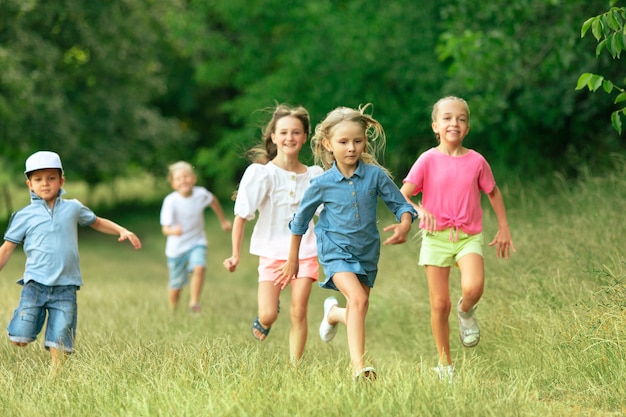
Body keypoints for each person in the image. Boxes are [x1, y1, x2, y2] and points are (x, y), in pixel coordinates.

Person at [276, 105, 418, 380]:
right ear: (328, 144)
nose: (351, 148)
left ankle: (332, 314)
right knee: (358, 299)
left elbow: (401, 205)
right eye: (343, 142)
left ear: (364, 141)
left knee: (357, 307)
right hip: (334, 251)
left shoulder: (375, 176)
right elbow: (300, 221)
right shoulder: (322, 183)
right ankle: (359, 367)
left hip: (366, 252)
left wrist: (404, 224)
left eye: (357, 141)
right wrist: (292, 258)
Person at [400, 96, 516, 382]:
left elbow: (493, 192)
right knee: (440, 305)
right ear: (435, 126)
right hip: (435, 238)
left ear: (467, 127)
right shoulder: (427, 159)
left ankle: (466, 312)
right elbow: (402, 195)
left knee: (473, 286)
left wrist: (504, 226)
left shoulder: (476, 161)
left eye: (461, 119)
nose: (455, 123)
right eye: (448, 118)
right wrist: (419, 209)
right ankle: (445, 365)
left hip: (468, 236)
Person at [0, 150, 142, 370]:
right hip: (35, 285)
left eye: (51, 178)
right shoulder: (23, 216)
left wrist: (120, 229)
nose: (45, 184)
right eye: (38, 179)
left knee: (61, 338)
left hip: (66, 286)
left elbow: (96, 221)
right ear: (29, 184)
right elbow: (7, 248)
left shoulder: (73, 207)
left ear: (61, 180)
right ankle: (31, 323)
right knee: (19, 338)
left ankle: (55, 378)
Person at [223, 104, 323, 363]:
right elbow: (242, 215)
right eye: (284, 132)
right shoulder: (262, 174)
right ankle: (266, 317)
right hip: (271, 253)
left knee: (298, 311)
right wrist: (235, 254)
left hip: (305, 252)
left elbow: (328, 215)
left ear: (304, 137)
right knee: (268, 314)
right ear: (274, 137)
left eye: (296, 132)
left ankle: (295, 368)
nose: (290, 137)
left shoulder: (315, 176)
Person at [160, 161, 231, 313]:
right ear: (173, 184)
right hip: (176, 249)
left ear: (193, 178)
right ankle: (172, 310)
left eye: (186, 176)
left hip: (197, 241)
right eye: (178, 178)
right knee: (176, 285)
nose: (183, 180)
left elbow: (213, 201)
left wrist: (223, 221)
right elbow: (165, 229)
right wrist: (174, 231)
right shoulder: (170, 201)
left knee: (199, 267)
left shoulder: (201, 194)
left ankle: (194, 303)